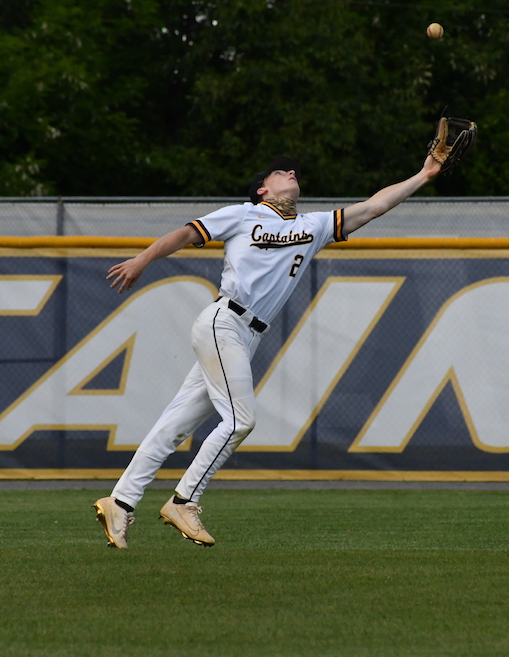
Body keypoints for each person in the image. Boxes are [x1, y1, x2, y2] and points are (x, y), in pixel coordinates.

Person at [94, 153, 443, 548]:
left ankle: (120, 501)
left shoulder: (313, 226)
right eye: (281, 172)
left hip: (246, 335)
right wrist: (143, 259)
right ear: (262, 189)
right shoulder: (244, 214)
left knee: (174, 425)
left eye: (294, 171)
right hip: (223, 321)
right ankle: (184, 500)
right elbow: (186, 235)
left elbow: (374, 206)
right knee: (240, 420)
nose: (292, 172)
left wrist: (424, 174)